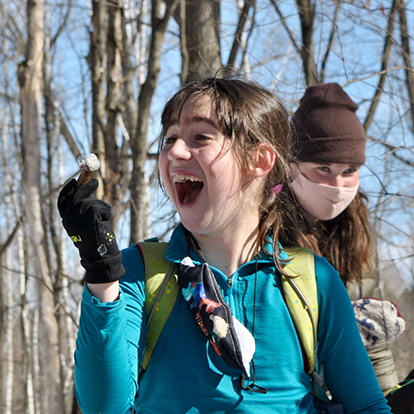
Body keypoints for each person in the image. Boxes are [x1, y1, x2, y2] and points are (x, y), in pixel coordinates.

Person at [58, 77, 391, 413]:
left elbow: (367, 407)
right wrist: (101, 275)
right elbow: (104, 407)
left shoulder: (313, 280)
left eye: (200, 137)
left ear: (260, 161)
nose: (173, 150)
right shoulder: (139, 272)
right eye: (170, 138)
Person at [290, 82, 401, 394]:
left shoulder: (357, 230)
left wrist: (390, 398)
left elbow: (374, 349)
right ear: (292, 164)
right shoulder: (263, 227)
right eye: (323, 167)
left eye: (350, 170)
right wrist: (335, 326)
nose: (337, 184)